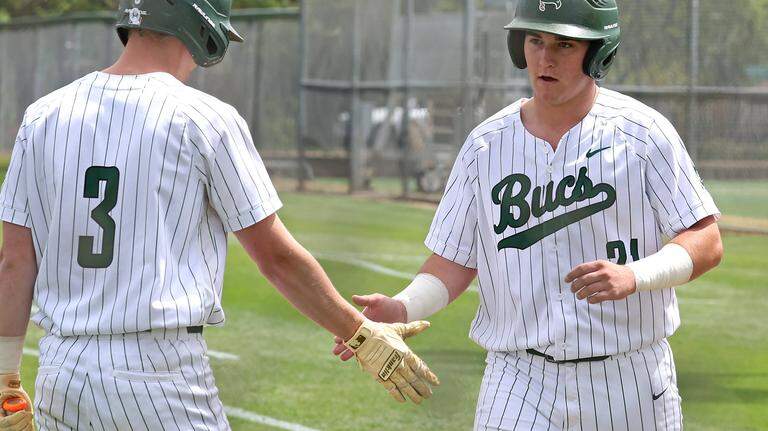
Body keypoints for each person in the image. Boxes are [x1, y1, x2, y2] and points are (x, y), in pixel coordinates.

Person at [0, 1, 439, 429]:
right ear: (200, 25)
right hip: (156, 374)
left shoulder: (43, 116)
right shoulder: (204, 118)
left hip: (61, 371)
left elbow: (15, 262)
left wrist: (5, 379)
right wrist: (362, 335)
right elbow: (276, 259)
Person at [333, 0, 723, 429]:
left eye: (564, 44)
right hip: (518, 378)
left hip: (628, 374)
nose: (545, 57)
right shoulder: (486, 145)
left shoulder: (643, 135)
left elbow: (705, 241)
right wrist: (401, 306)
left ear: (598, 53)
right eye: (535, 40)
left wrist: (637, 275)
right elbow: (456, 260)